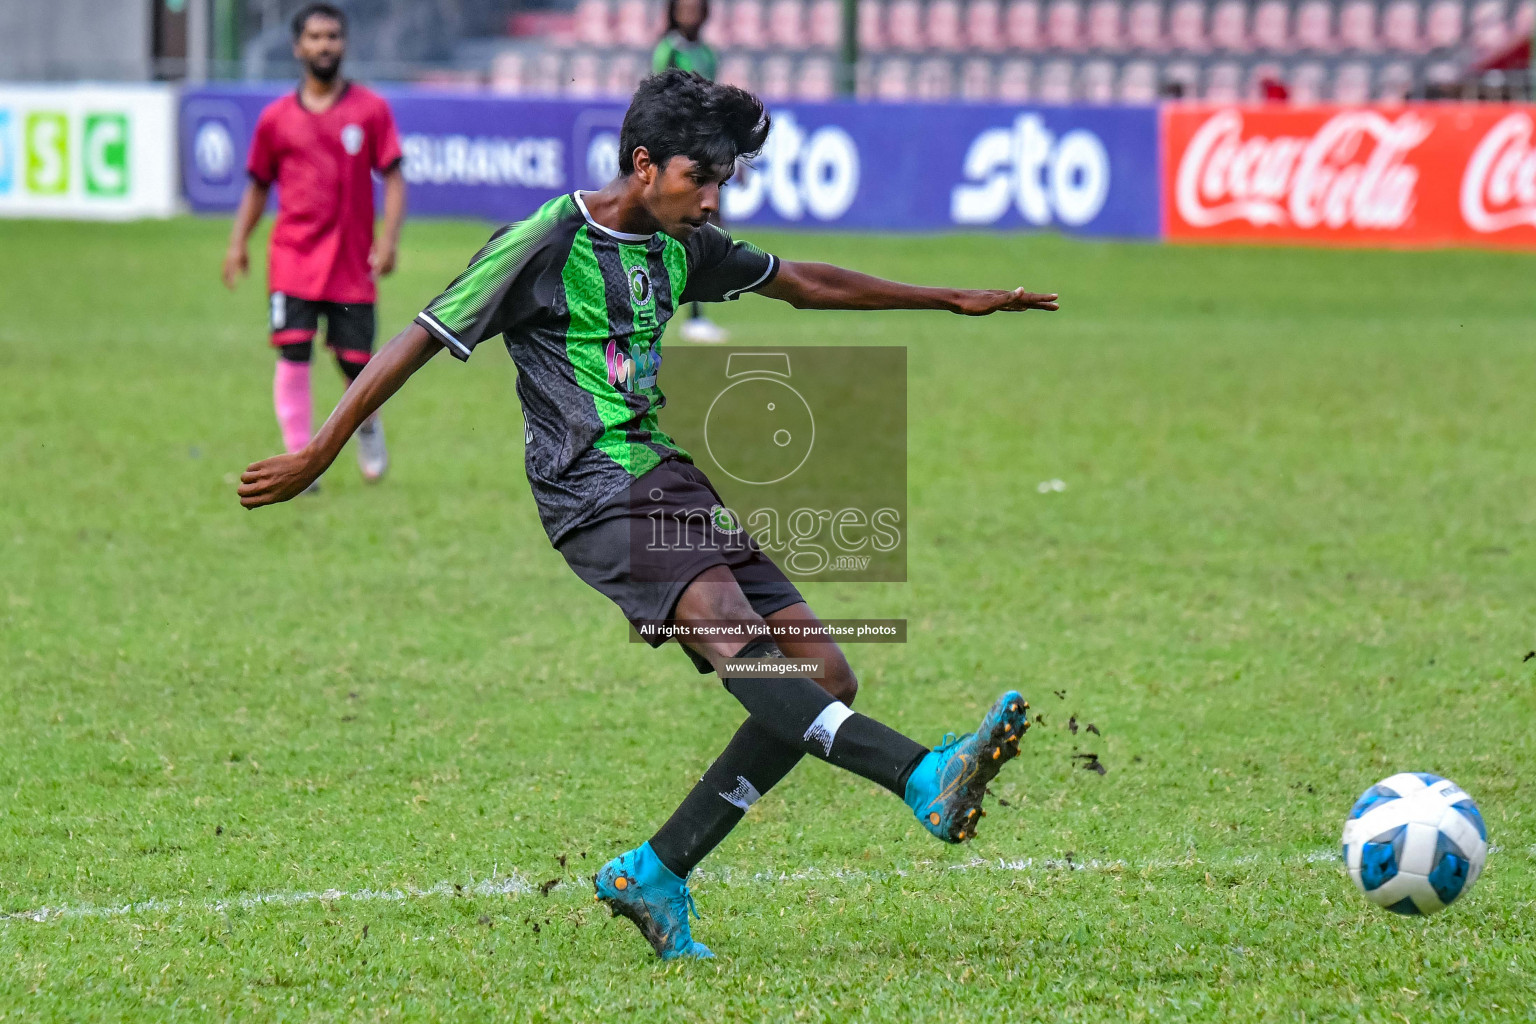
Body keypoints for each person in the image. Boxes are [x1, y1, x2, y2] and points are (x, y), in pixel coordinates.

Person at [237, 71, 1058, 961]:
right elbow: (422, 337)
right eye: (698, 180)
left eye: (722, 184)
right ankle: (921, 776)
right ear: (643, 164)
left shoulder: (684, 242)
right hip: (590, 490)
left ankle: (656, 872)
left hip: (668, 479)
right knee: (742, 643)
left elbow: (805, 284)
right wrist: (322, 447)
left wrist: (950, 298)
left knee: (824, 676)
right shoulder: (547, 239)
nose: (711, 202)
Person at [223, 1, 406, 491]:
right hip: (293, 259)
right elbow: (258, 183)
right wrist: (238, 242)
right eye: (316, 37)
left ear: (343, 44)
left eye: (333, 36)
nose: (325, 45)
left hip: (350, 263)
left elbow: (393, 177)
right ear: (297, 46)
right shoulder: (275, 119)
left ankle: (368, 427)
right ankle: (300, 463)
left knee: (356, 367)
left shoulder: (369, 110)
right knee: (292, 355)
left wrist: (388, 239)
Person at [653, 0, 731, 345]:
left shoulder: (708, 54)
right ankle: (676, 314)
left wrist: (727, 154)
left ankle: (696, 315)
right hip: (678, 156)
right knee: (677, 234)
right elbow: (658, 101)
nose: (690, 13)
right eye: (684, 7)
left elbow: (713, 107)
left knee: (703, 233)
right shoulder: (668, 50)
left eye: (696, 7)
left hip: (703, 154)